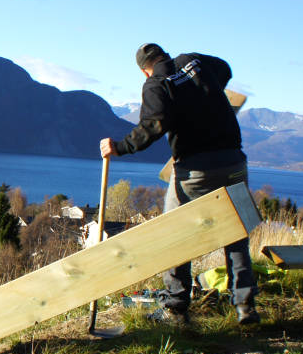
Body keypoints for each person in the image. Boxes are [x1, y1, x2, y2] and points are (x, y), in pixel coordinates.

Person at [99, 43, 260, 325]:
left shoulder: (155, 84)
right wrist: (202, 95)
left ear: (143, 70)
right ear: (165, 55)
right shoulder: (194, 61)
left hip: (195, 168)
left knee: (176, 233)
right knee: (236, 232)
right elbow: (225, 70)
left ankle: (175, 307)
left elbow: (154, 124)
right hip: (235, 161)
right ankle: (246, 308)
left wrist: (119, 147)